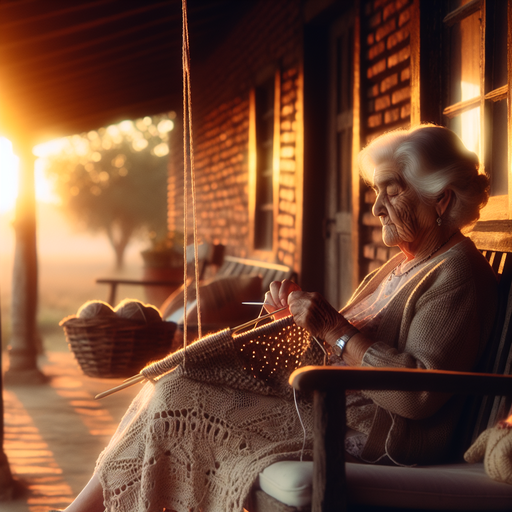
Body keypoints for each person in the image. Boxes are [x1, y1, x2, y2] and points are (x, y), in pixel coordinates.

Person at [58, 125, 498, 512]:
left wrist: (334, 329)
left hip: (376, 433)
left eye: (392, 190)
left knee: (180, 396)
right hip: (329, 405)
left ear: (440, 198)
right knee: (171, 381)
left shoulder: (456, 270)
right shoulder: (400, 265)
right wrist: (292, 320)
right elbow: (337, 350)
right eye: (376, 192)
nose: (377, 208)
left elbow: (418, 394)